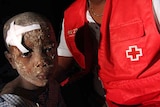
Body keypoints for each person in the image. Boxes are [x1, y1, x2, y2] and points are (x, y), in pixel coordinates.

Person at [55, 0, 160, 106]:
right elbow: (63, 60)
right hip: (101, 99)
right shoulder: (72, 15)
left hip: (152, 100)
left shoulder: (149, 3)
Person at [0, 12, 66, 107]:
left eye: (48, 49)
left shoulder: (52, 86)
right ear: (12, 60)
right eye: (26, 54)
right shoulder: (9, 104)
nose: (41, 61)